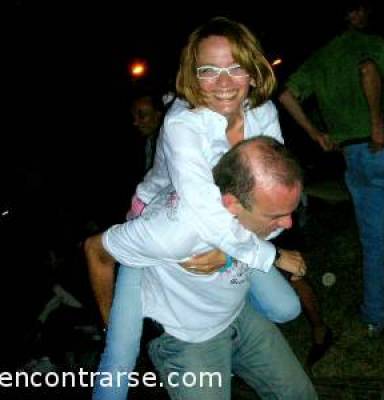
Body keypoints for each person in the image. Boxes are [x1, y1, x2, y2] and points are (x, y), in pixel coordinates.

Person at [90, 17, 305, 399]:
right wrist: (268, 254)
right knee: (120, 358)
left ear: (254, 71)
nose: (223, 83)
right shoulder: (182, 124)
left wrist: (229, 257)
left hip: (219, 219)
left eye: (235, 67)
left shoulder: (263, 113)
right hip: (157, 216)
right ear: (193, 75)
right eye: (209, 70)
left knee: (285, 305)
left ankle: (226, 313)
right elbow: (203, 211)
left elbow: (268, 191)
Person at [85, 136, 317, 399]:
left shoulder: (230, 175)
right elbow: (95, 250)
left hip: (240, 314)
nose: (288, 224)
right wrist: (110, 324)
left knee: (300, 394)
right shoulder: (171, 232)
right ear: (232, 205)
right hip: (186, 339)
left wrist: (230, 254)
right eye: (275, 216)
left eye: (289, 212)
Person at [279, 0, 384, 344]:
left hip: (353, 157)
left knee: (373, 242)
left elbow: (286, 95)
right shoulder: (374, 43)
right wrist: (377, 124)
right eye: (358, 9)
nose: (362, 15)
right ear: (355, 15)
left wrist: (316, 134)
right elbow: (369, 70)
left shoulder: (320, 57)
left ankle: (376, 316)